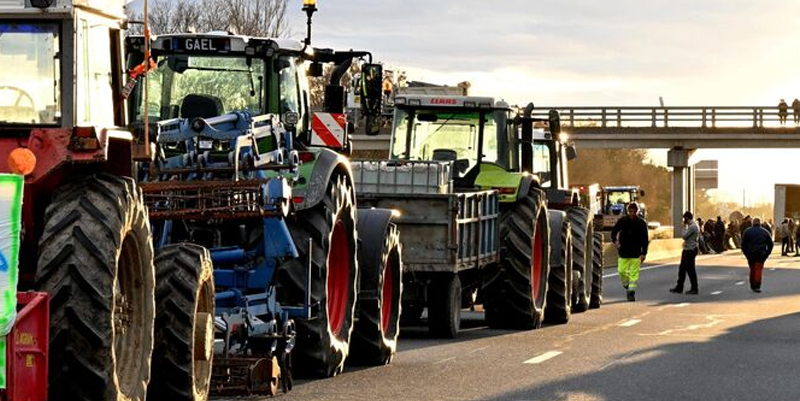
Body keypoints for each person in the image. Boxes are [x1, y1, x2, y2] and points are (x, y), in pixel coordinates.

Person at [611, 202, 649, 302]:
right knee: (621, 271)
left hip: (636, 252)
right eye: (630, 211)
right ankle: (626, 285)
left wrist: (644, 253)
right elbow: (614, 232)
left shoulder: (641, 223)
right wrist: (615, 241)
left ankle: (631, 292)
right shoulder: (622, 221)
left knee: (634, 274)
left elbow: (645, 239)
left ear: (637, 211)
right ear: (628, 211)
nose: (632, 213)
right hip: (623, 251)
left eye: (634, 211)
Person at [741, 217, 774, 293]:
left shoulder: (747, 231)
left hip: (751, 253)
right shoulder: (765, 232)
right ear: (760, 223)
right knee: (758, 269)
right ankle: (757, 285)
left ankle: (752, 284)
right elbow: (771, 244)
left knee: (752, 269)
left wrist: (746, 254)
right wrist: (767, 253)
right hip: (761, 253)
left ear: (753, 223)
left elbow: (743, 244)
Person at [671, 211, 700, 294]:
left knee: (690, 270)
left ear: (687, 218)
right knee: (682, 270)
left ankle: (694, 288)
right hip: (687, 249)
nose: (684, 220)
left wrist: (683, 227)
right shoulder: (693, 226)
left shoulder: (692, 227)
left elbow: (684, 236)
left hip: (690, 250)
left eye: (684, 218)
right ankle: (679, 287)